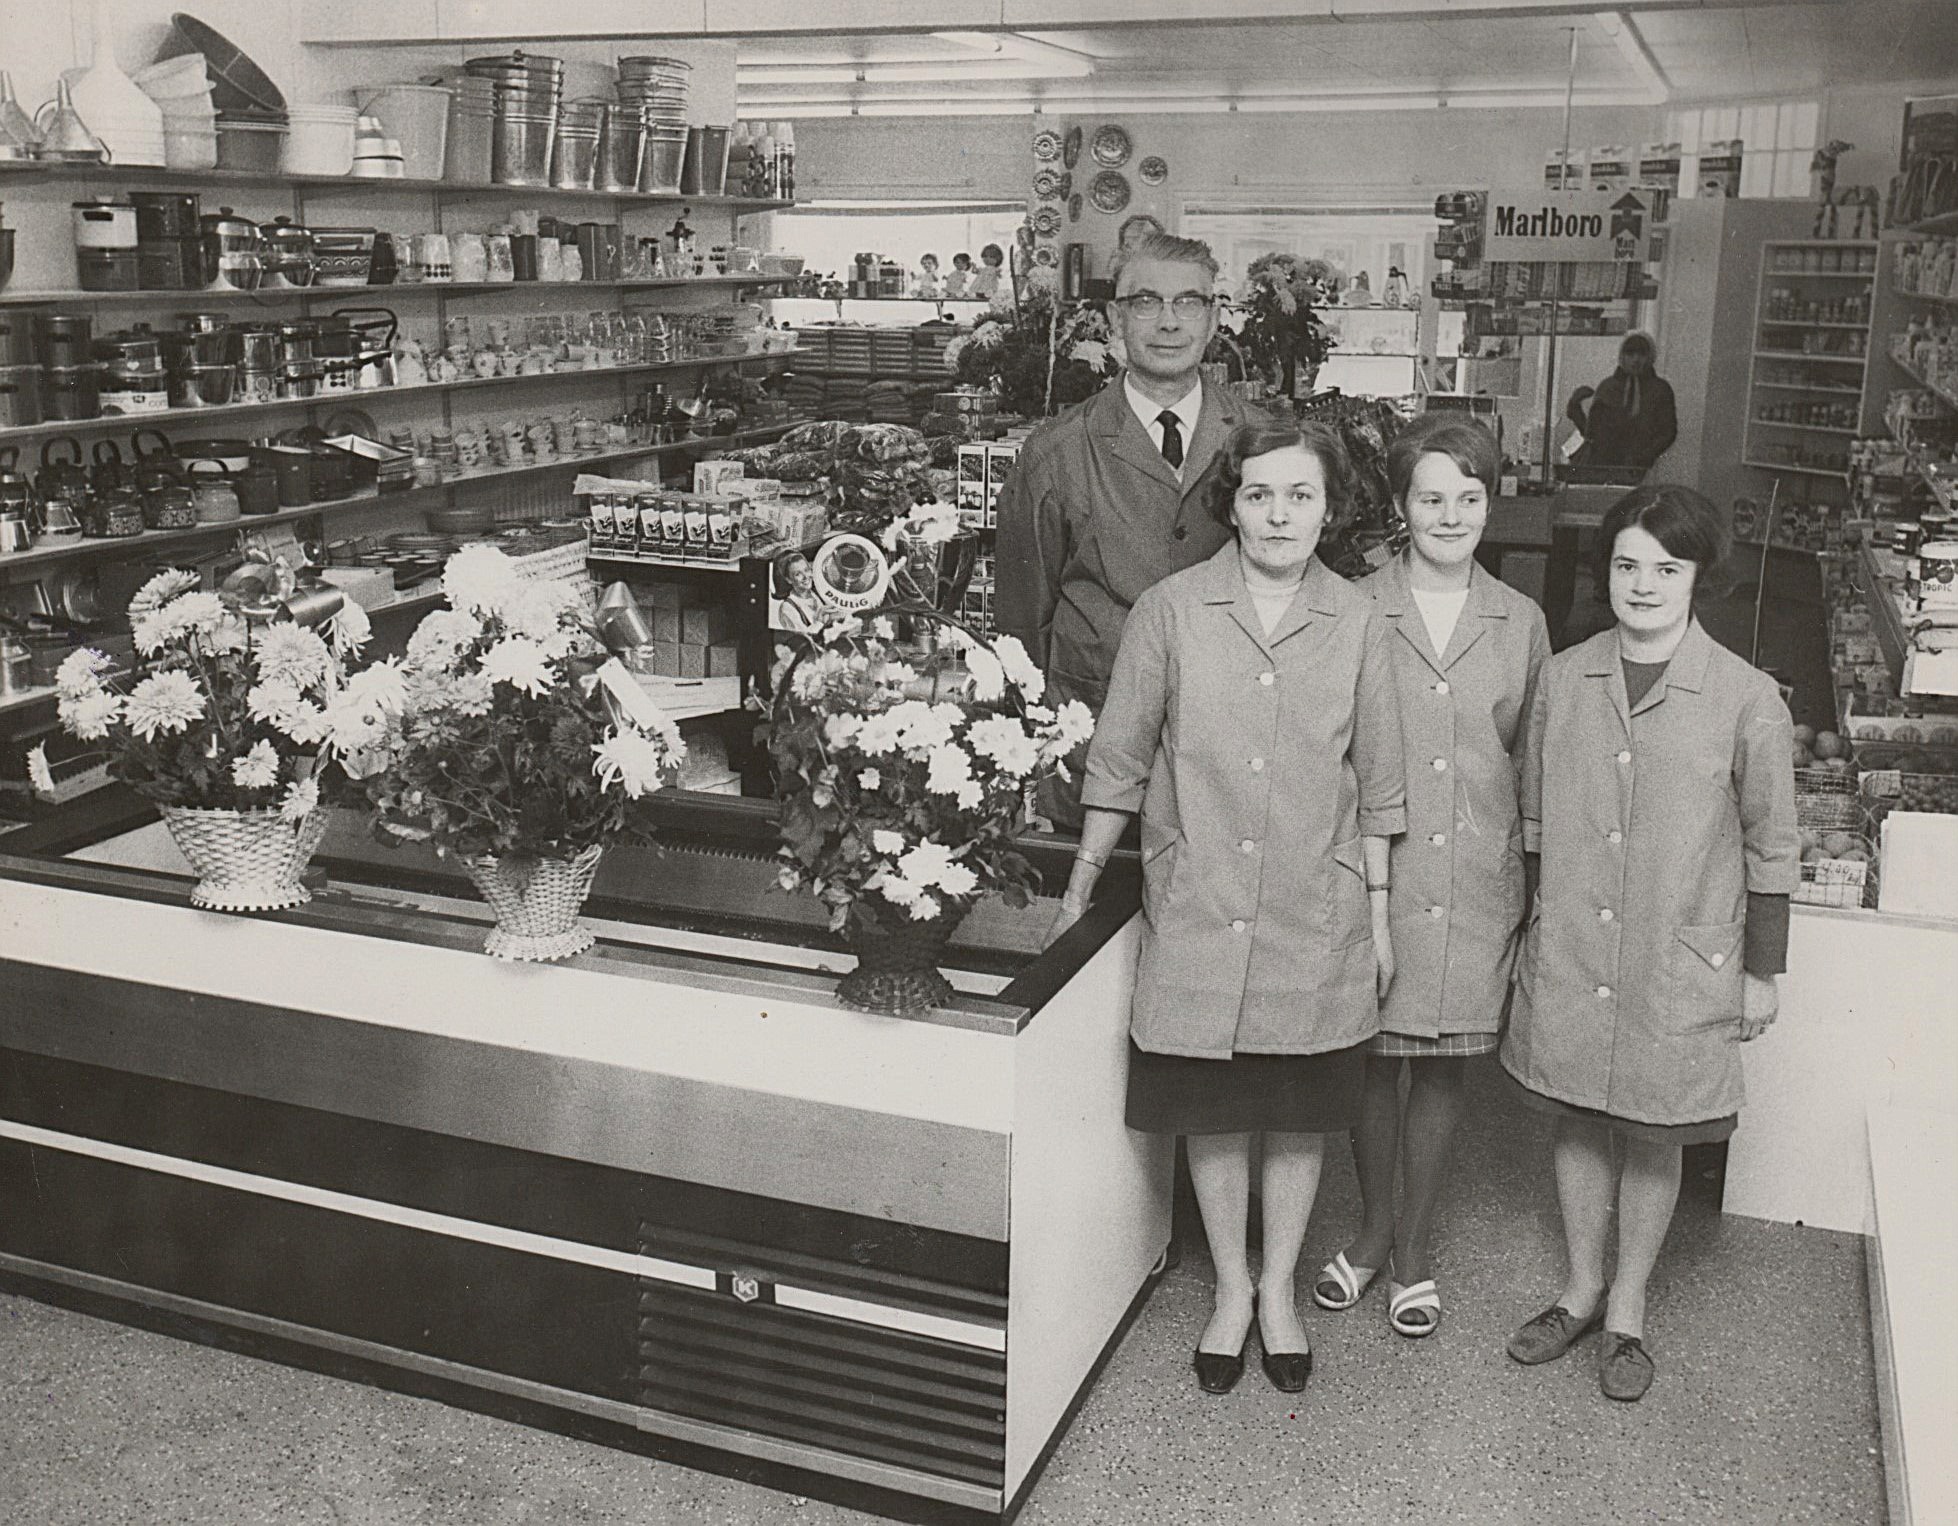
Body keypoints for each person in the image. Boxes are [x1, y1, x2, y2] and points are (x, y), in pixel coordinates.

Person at [1047, 418, 1406, 1396]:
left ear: (1329, 508)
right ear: (1230, 502)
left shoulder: (1359, 621)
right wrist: (1080, 883)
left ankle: (1279, 1286)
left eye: (1298, 495)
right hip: (1197, 891)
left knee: (1294, 1106)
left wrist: (1376, 915)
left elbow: (1379, 782)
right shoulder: (1170, 608)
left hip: (1313, 901)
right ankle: (1231, 1293)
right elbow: (1118, 757)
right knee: (1209, 1098)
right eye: (1257, 494)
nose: (1277, 514)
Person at [1501, 484, 1798, 1402]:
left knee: (1656, 1127)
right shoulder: (1566, 674)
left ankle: (1627, 1306)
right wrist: (1535, 924)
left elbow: (1772, 843)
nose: (1643, 584)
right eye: (1627, 565)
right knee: (1579, 1111)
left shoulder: (1748, 698)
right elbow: (1535, 815)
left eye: (1666, 568)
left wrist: (1761, 973)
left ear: (1697, 579)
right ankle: (1581, 1288)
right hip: (1575, 945)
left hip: (1684, 953)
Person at [1312, 415, 1550, 1340]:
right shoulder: (1355, 605)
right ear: (1402, 507)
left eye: (1470, 497)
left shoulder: (1519, 619)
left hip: (1477, 870)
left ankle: (1413, 1246)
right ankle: (1370, 1229)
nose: (1451, 514)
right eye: (1431, 497)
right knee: (1373, 1056)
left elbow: (1528, 758)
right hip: (1376, 868)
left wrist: (1530, 879)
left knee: (1446, 1061)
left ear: (1491, 504)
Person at [994, 230, 1269, 826]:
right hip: (1090, 750)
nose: (1168, 322)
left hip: (1228, 750)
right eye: (1146, 301)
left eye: (1188, 302)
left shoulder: (1261, 442)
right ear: (1115, 317)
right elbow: (1021, 624)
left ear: (1214, 316)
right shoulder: (1057, 452)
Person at [1565, 333, 1677, 477]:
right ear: (1622, 356)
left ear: (1650, 356)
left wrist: (1644, 456)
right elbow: (1592, 433)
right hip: (1602, 465)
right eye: (1630, 353)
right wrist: (1576, 410)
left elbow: (1668, 432)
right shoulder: (1608, 387)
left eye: (1641, 354)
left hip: (1640, 468)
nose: (1636, 359)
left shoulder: (1660, 390)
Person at [770, 550, 824, 635]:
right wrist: (820, 621)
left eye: (806, 570)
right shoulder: (787, 608)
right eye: (798, 574)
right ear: (789, 579)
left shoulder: (816, 592)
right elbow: (805, 639)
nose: (806, 577)